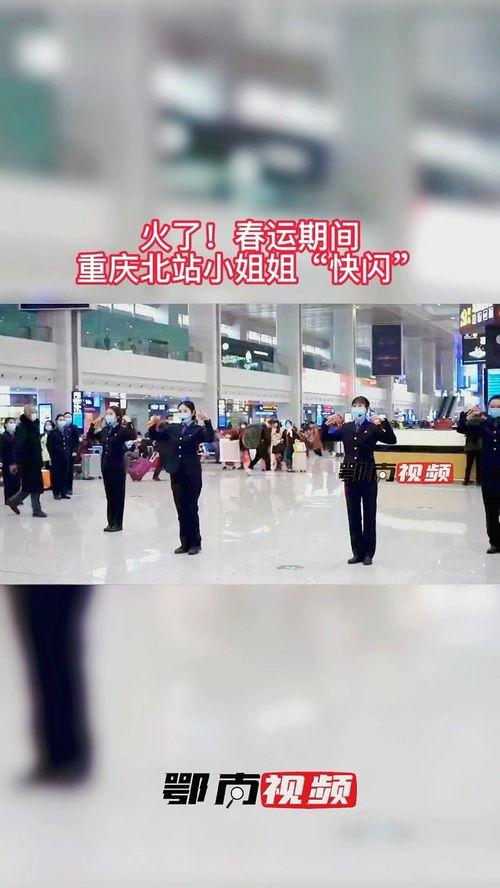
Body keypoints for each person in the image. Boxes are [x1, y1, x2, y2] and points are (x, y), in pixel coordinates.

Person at [322, 396, 396, 565]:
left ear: (367, 409)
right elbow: (327, 436)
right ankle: (357, 552)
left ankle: (369, 553)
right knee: (353, 514)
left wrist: (384, 423)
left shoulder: (373, 427)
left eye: (360, 405)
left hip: (367, 473)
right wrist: (327, 423)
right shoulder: (346, 428)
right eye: (354, 405)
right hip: (349, 473)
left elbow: (392, 439)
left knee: (369, 514)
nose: (357, 408)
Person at [148, 400, 214, 555]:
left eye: (185, 411)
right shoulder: (173, 428)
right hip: (176, 472)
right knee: (181, 509)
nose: (182, 414)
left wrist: (207, 422)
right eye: (180, 411)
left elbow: (209, 437)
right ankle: (184, 543)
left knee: (191, 508)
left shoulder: (197, 430)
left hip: (191, 473)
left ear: (192, 413)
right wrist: (152, 425)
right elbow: (157, 436)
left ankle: (195, 543)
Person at [457, 400, 500, 553]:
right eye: (493, 407)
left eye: (499, 407)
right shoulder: (483, 424)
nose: (495, 409)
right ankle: (495, 542)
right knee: (491, 510)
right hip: (488, 473)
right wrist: (466, 415)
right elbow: (462, 429)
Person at [87, 407, 136, 532]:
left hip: (117, 466)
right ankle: (110, 522)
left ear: (117, 416)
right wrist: (93, 425)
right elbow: (91, 436)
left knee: (118, 495)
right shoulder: (105, 430)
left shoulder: (122, 430)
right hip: (106, 466)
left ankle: (118, 523)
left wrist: (129, 423)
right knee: (109, 496)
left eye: (111, 414)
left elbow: (132, 435)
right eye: (107, 414)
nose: (108, 416)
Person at [6, 404, 47, 517]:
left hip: (36, 460)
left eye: (35, 412)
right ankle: (36, 509)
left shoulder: (35, 425)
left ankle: (13, 501)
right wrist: (17, 462)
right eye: (32, 412)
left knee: (29, 487)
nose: (34, 414)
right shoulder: (22, 427)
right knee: (34, 487)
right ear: (27, 413)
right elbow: (18, 446)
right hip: (27, 462)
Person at [47, 415, 71, 500]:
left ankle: (63, 492)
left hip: (65, 457)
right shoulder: (53, 433)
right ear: (56, 421)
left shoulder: (66, 431)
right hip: (56, 457)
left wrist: (68, 452)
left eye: (63, 420)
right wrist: (51, 456)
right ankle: (56, 492)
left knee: (64, 475)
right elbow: (49, 445)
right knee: (57, 475)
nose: (62, 421)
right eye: (60, 420)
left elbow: (68, 443)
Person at [457, 407, 483, 485]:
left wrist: (465, 413)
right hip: (480, 447)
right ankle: (479, 481)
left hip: (469, 447)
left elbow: (459, 429)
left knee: (468, 465)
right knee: (479, 466)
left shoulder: (468, 423)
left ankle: (466, 481)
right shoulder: (482, 423)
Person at [0, 417, 21, 504]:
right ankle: (8, 499)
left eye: (14, 422)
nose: (13, 424)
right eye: (10, 422)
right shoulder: (3, 436)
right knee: (9, 481)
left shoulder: (17, 435)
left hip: (16, 461)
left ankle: (17, 499)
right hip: (7, 462)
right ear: (6, 424)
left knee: (17, 481)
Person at [63, 412, 80, 496]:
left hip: (71, 452)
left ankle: (69, 488)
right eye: (66, 417)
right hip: (63, 452)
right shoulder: (62, 428)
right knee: (63, 470)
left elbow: (77, 441)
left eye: (69, 416)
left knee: (69, 470)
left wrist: (75, 451)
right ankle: (63, 488)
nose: (68, 418)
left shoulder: (74, 427)